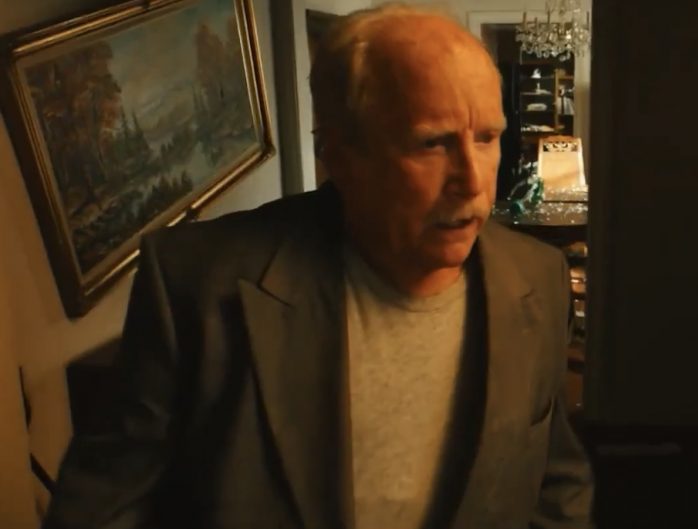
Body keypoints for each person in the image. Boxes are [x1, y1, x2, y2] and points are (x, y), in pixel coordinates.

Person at [41, 3, 594, 529]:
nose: (472, 181)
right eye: (431, 144)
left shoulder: (539, 280)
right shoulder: (196, 285)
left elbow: (555, 485)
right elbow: (99, 511)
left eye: (488, 137)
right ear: (341, 158)